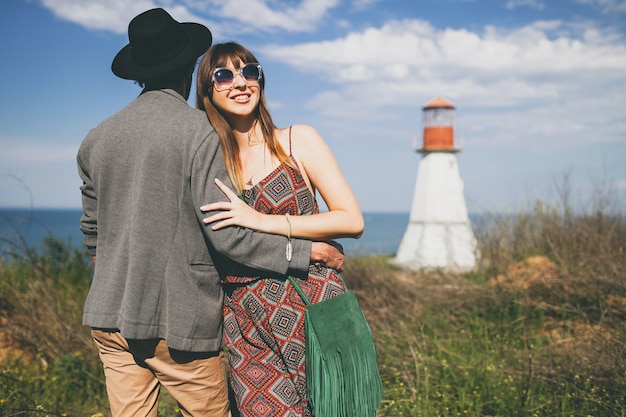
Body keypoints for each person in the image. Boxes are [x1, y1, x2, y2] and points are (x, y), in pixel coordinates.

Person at [77, 10, 343, 417]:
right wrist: (306, 253)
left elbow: (92, 233)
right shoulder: (200, 131)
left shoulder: (96, 138)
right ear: (189, 69)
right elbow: (225, 232)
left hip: (109, 316)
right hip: (178, 321)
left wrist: (118, 272)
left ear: (139, 73)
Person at [195, 42, 365, 417]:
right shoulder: (211, 162)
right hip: (246, 318)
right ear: (207, 90)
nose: (240, 83)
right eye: (224, 75)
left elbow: (351, 220)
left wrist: (262, 221)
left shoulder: (296, 140)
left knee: (340, 410)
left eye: (249, 71)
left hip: (316, 302)